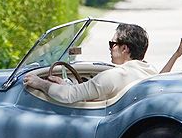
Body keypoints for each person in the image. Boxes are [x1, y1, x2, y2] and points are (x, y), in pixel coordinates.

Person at [24, 23, 157, 103]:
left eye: (112, 44)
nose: (110, 48)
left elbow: (68, 96)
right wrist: (66, 85)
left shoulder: (114, 76)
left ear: (124, 49)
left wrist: (40, 83)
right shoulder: (150, 71)